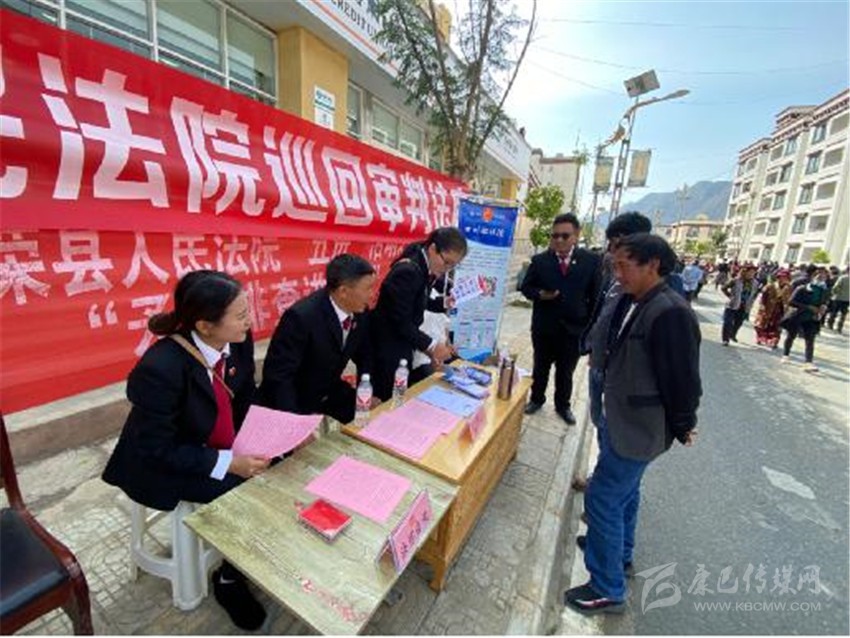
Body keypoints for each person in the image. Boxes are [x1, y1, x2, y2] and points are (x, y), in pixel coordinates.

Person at [102, 270, 269, 630]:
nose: (249, 321)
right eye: (241, 315)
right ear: (205, 326)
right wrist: (228, 463)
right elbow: (157, 449)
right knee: (247, 494)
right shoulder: (160, 368)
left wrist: (267, 434)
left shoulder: (236, 340)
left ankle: (250, 552)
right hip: (165, 463)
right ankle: (229, 578)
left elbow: (243, 394)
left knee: (278, 466)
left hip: (213, 441)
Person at [564, 233, 701, 615]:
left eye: (624, 265)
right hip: (619, 417)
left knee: (603, 498)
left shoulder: (670, 312)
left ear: (652, 265)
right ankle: (618, 552)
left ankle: (607, 588)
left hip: (638, 428)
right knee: (625, 493)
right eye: (614, 265)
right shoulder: (635, 298)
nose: (617, 274)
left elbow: (683, 380)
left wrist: (683, 423)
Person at [574, 211, 652, 492]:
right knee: (601, 427)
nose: (611, 251)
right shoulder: (616, 274)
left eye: (617, 244)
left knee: (614, 440)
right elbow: (603, 315)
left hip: (622, 380)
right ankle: (601, 479)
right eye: (610, 245)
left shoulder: (657, 288)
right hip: (600, 366)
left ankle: (604, 488)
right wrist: (593, 349)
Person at [258, 254, 376, 423]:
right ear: (343, 291)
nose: (372, 295)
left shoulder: (359, 311)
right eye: (368, 289)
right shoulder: (301, 317)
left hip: (329, 391)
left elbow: (365, 355)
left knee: (373, 419)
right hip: (295, 401)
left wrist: (366, 392)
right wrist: (294, 423)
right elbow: (279, 377)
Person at [521, 213, 601, 424]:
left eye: (565, 236)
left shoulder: (591, 261)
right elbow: (526, 287)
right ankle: (536, 399)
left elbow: (595, 297)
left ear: (576, 236)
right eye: (555, 235)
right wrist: (541, 294)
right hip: (544, 327)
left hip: (573, 329)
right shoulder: (540, 261)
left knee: (566, 372)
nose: (559, 240)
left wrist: (589, 328)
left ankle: (563, 406)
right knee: (540, 367)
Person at [370, 226, 468, 400]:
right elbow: (400, 321)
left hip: (401, 344)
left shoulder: (422, 264)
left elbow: (419, 300)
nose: (447, 269)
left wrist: (443, 303)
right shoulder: (408, 271)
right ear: (433, 249)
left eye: (454, 265)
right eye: (447, 262)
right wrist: (432, 346)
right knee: (387, 401)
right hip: (385, 350)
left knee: (398, 396)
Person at [781, 267, 830, 372]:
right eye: (819, 275)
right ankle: (786, 354)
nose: (821, 277)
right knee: (791, 336)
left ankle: (808, 362)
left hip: (811, 318)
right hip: (797, 316)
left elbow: (825, 302)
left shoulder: (823, 291)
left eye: (824, 276)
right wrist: (808, 307)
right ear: (813, 276)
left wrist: (824, 307)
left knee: (810, 340)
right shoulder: (802, 288)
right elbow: (791, 302)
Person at [753, 269, 792, 349]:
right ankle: (761, 338)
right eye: (781, 277)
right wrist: (762, 305)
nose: (783, 280)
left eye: (785, 278)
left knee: (776, 326)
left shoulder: (788, 288)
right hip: (768, 307)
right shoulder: (770, 286)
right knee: (762, 324)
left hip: (779, 310)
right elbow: (764, 296)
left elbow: (789, 300)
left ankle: (773, 341)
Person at [721, 264, 759, 345]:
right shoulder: (736, 280)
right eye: (750, 272)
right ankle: (725, 339)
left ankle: (732, 334)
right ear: (745, 272)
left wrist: (751, 301)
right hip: (732, 304)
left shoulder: (755, 283)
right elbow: (724, 288)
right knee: (728, 322)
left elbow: (755, 293)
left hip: (744, 306)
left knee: (738, 322)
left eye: (753, 273)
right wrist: (730, 296)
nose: (751, 274)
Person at [826, 266, 849, 334]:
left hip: (838, 297)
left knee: (834, 312)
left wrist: (833, 293)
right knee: (843, 314)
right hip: (847, 299)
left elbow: (835, 287)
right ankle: (839, 327)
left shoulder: (842, 278)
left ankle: (830, 324)